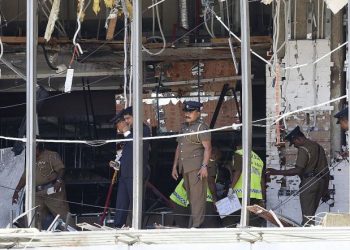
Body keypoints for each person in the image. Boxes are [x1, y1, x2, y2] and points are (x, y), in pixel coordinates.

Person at [266, 126, 329, 225]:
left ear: (298, 138)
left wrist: (276, 172)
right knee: (311, 215)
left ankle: (307, 236)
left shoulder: (303, 149)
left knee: (307, 216)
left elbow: (297, 170)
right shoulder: (318, 147)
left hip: (309, 183)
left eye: (294, 143)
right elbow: (326, 171)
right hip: (321, 182)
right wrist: (325, 190)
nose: (294, 146)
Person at [171, 101, 212, 228]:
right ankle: (193, 224)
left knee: (197, 197)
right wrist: (175, 166)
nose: (187, 114)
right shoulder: (184, 127)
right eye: (186, 111)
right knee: (190, 197)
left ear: (198, 113)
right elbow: (179, 147)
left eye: (191, 111)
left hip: (196, 167)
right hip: (185, 167)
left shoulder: (202, 127)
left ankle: (197, 225)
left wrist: (204, 166)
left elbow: (208, 148)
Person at [12, 144, 69, 230]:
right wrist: (16, 192)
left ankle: (71, 233)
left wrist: (58, 181)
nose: (32, 153)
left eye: (34, 150)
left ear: (38, 148)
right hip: (37, 193)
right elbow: (24, 178)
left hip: (52, 191)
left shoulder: (51, 155)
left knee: (62, 214)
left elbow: (61, 169)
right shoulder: (31, 159)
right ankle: (37, 235)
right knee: (35, 216)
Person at [111, 107, 151, 228]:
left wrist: (126, 131)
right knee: (121, 202)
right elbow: (126, 152)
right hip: (125, 172)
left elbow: (136, 146)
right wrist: (117, 162)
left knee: (136, 202)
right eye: (125, 119)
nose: (126, 121)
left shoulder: (143, 130)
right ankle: (118, 226)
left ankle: (137, 226)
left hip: (136, 172)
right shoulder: (129, 132)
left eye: (128, 118)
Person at [222, 136, 265, 227]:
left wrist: (231, 188)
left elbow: (238, 171)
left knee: (227, 218)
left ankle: (231, 238)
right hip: (256, 195)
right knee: (251, 221)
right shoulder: (259, 159)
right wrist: (262, 199)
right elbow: (262, 180)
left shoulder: (239, 153)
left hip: (239, 193)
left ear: (238, 146)